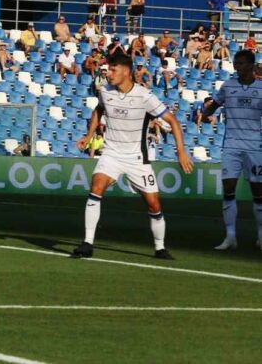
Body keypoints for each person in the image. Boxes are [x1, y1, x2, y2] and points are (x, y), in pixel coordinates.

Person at [72, 53, 193, 260]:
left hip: (137, 158)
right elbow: (98, 110)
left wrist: (181, 151)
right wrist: (89, 135)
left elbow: (172, 121)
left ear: (126, 71)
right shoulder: (105, 91)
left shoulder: (144, 96)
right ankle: (87, 243)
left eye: (113, 69)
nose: (108, 73)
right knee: (96, 186)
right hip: (112, 154)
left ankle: (160, 248)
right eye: (108, 69)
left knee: (154, 204)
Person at [202, 50, 262, 251]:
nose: (237, 67)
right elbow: (215, 104)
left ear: (252, 65)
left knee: (258, 192)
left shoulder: (261, 88)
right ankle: (230, 236)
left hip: (255, 146)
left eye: (241, 63)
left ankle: (261, 236)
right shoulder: (228, 86)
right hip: (231, 145)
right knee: (228, 189)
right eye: (236, 63)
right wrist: (206, 111)